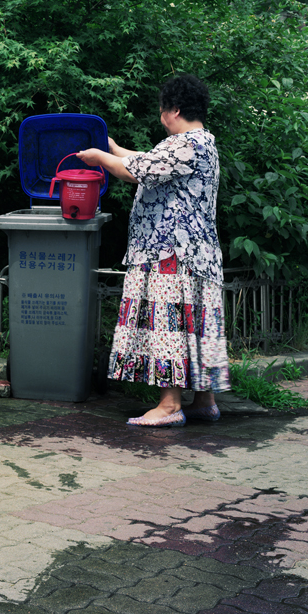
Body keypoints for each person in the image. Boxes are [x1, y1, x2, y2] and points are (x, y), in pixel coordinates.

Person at [77, 74, 228, 427]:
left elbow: (137, 171)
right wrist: (113, 150)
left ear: (172, 110)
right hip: (195, 255)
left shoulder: (185, 144)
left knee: (169, 326)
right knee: (194, 325)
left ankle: (169, 405)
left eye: (162, 109)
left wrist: (100, 157)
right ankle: (204, 401)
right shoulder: (199, 143)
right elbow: (146, 160)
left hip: (171, 254)